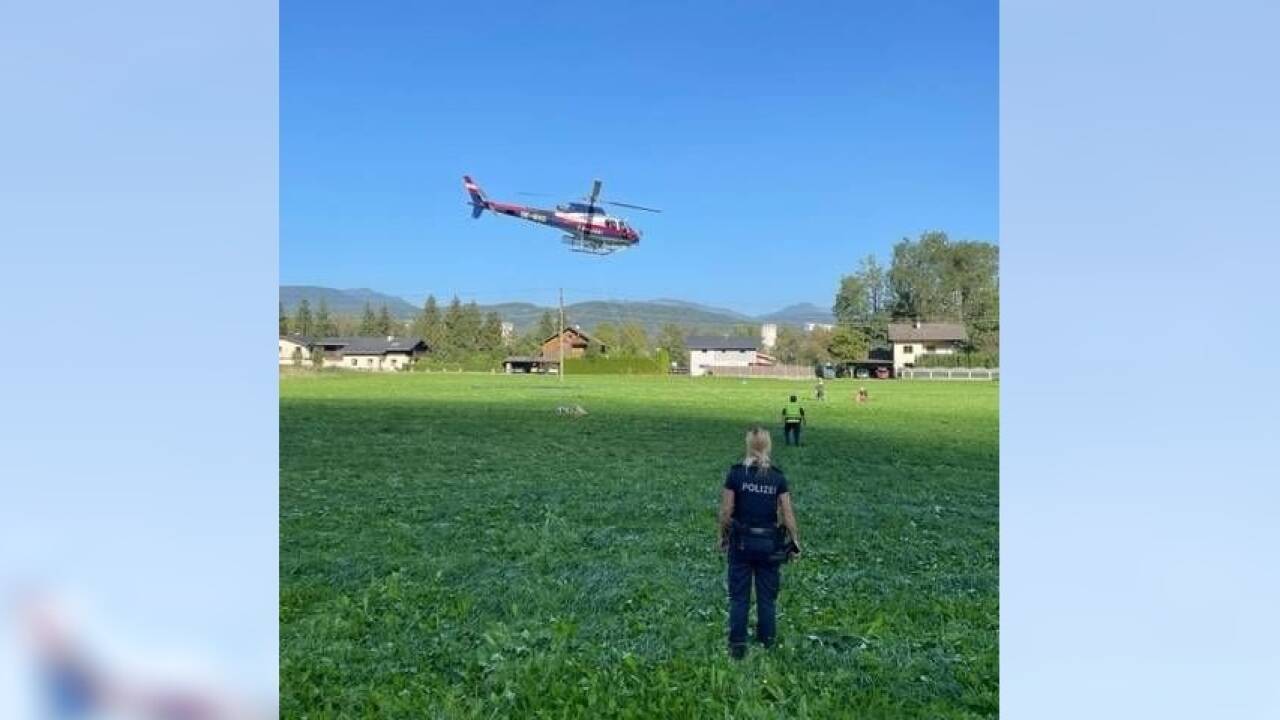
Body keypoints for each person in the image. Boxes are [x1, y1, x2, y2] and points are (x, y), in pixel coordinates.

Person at [718, 426, 801, 659]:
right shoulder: (777, 477)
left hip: (741, 543)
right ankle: (767, 640)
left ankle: (737, 645)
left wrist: (723, 537)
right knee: (766, 597)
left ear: (748, 446)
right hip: (768, 545)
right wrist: (794, 542)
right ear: (768, 446)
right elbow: (788, 514)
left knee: (739, 597)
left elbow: (726, 511)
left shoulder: (735, 474)